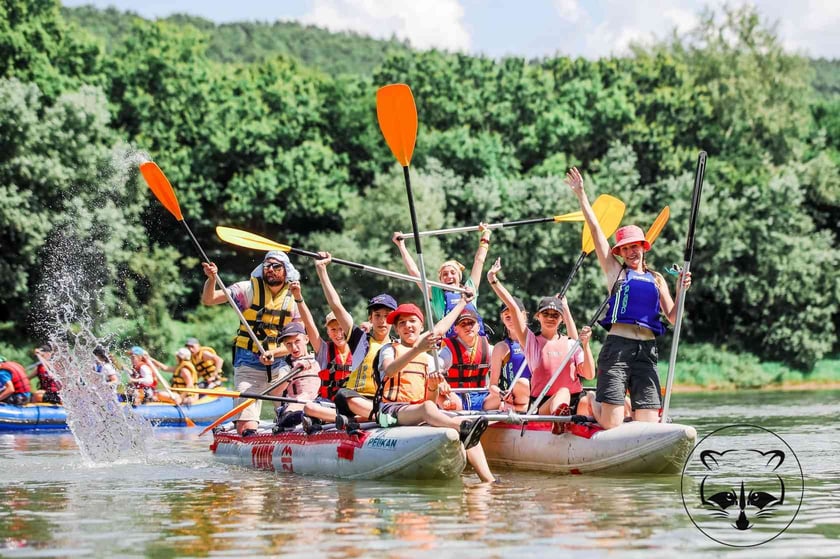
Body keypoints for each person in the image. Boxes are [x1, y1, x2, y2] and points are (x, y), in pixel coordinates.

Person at [566, 166, 692, 429]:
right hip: (617, 349)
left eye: (636, 246)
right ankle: (591, 400)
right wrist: (581, 195)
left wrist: (681, 290)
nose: (632, 251)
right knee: (612, 424)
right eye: (626, 248)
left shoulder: (657, 279)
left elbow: (671, 316)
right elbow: (596, 230)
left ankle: (622, 412)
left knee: (646, 423)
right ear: (621, 252)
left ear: (643, 248)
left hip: (646, 351)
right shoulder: (616, 271)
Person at [375, 301, 495, 483]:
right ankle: (462, 428)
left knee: (464, 421)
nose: (407, 326)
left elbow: (429, 398)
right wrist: (417, 349)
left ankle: (489, 481)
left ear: (421, 326)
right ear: (397, 330)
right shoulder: (388, 350)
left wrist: (433, 385)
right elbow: (390, 370)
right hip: (391, 411)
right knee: (430, 409)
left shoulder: (430, 360)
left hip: (419, 411)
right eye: (402, 323)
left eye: (412, 321)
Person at [486, 259, 595, 432]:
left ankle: (584, 425)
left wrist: (586, 345)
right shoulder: (531, 342)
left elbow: (589, 374)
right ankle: (559, 421)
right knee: (563, 392)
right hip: (544, 404)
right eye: (546, 314)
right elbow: (513, 308)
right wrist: (493, 280)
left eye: (555, 315)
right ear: (538, 316)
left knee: (590, 398)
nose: (550, 317)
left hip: (575, 403)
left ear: (561, 318)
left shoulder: (571, 343)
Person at [201, 251, 301, 435]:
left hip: (281, 369)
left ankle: (284, 430)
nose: (270, 269)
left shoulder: (294, 297)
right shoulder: (247, 289)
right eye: (266, 266)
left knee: (291, 420)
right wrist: (212, 279)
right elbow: (209, 299)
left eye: (276, 266)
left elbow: (299, 341)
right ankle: (242, 429)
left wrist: (275, 353)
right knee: (246, 428)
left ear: (286, 271)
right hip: (248, 367)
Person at [312, 252, 397, 428]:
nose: (382, 321)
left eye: (387, 316)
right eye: (377, 316)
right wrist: (322, 271)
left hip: (381, 400)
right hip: (353, 398)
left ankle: (361, 420)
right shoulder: (360, 339)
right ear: (370, 318)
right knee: (334, 398)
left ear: (394, 321)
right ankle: (375, 417)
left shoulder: (398, 346)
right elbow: (336, 306)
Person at [393, 224, 492, 338]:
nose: (449, 276)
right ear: (440, 280)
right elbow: (414, 272)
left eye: (453, 273)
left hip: (477, 342)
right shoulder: (435, 294)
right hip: (452, 345)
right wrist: (401, 245)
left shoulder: (469, 288)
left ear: (459, 277)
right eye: (444, 274)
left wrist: (486, 233)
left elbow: (479, 260)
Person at [436, 308, 492, 411]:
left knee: (500, 400)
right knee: (452, 402)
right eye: (463, 324)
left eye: (471, 323)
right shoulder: (448, 351)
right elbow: (434, 368)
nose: (468, 327)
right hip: (455, 396)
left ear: (478, 327)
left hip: (481, 397)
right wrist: (441, 381)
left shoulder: (488, 349)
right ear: (456, 329)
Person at [270, 322, 322, 431]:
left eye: (297, 341)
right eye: (288, 344)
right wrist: (293, 372)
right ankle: (305, 420)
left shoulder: (319, 358)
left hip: (318, 403)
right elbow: (275, 392)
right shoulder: (287, 364)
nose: (293, 347)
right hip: (296, 405)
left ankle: (314, 419)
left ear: (306, 339)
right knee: (294, 411)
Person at [484, 297, 531, 412]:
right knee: (486, 404)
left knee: (523, 383)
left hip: (529, 393)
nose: (512, 320)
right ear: (503, 319)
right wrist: (502, 394)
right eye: (507, 317)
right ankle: (514, 407)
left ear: (524, 316)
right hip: (508, 395)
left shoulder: (536, 342)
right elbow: (492, 385)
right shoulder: (500, 347)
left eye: (515, 315)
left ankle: (517, 408)